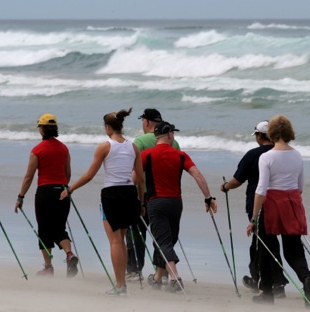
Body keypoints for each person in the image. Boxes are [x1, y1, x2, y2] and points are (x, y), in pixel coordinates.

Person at [60, 108, 144, 296]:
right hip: (130, 194)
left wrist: (70, 189)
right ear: (120, 126)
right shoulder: (133, 147)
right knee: (120, 240)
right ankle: (122, 284)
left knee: (115, 242)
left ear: (107, 127)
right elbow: (140, 178)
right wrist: (142, 202)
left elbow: (90, 175)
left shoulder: (105, 146)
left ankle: (121, 286)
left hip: (112, 194)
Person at [247, 115, 310, 307]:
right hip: (293, 203)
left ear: (271, 133)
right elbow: (300, 186)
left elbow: (261, 189)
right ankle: (306, 279)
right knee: (294, 251)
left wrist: (253, 218)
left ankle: (267, 293)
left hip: (272, 205)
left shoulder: (266, 156)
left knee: (267, 250)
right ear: (289, 132)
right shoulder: (297, 155)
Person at [142, 121, 217, 293]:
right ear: (169, 135)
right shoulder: (181, 155)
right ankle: (157, 278)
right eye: (173, 134)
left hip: (156, 202)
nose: (173, 136)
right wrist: (208, 197)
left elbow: (135, 177)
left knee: (163, 242)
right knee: (168, 241)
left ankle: (175, 279)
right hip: (176, 203)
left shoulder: (147, 155)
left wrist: (135, 198)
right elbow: (197, 174)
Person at [220, 121, 287, 296]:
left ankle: (264, 281)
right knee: (271, 242)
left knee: (261, 243)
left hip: (258, 204)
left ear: (259, 135)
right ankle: (273, 282)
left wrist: (225, 186)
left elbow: (237, 180)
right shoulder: (281, 153)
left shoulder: (253, 155)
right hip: (281, 203)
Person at [14, 113, 79, 278]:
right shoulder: (64, 149)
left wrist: (21, 196)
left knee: (44, 229)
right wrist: (63, 187)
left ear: (42, 130)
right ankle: (69, 254)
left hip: (44, 192)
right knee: (59, 228)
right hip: (63, 192)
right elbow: (68, 173)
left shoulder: (37, 150)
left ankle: (48, 267)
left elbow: (29, 177)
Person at [125, 108, 180, 281]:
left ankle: (135, 270)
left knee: (136, 233)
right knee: (162, 235)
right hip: (167, 194)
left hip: (143, 194)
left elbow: (133, 169)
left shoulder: (140, 141)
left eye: (142, 121)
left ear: (146, 122)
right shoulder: (175, 143)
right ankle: (162, 272)